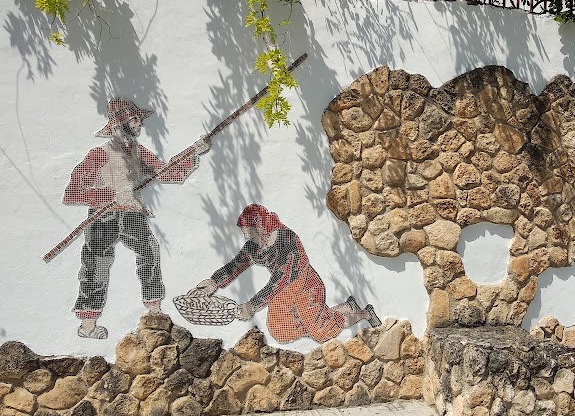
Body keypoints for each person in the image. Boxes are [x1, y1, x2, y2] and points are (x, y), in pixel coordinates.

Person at [63, 97, 210, 339]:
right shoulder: (98, 154)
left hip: (132, 214)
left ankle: (154, 310)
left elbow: (167, 174)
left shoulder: (138, 152)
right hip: (103, 217)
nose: (139, 123)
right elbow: (71, 193)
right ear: (120, 123)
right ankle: (88, 326)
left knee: (149, 252)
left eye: (139, 119)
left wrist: (194, 153)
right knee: (96, 265)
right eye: (134, 119)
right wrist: (107, 194)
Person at [194, 204, 380, 343]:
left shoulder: (286, 239)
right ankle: (346, 308)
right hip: (283, 292)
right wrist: (213, 282)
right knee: (282, 331)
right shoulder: (255, 246)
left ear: (260, 226)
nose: (246, 237)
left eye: (249, 232)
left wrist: (252, 305)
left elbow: (280, 279)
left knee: (321, 331)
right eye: (245, 233)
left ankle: (365, 313)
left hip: (305, 286)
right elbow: (236, 265)